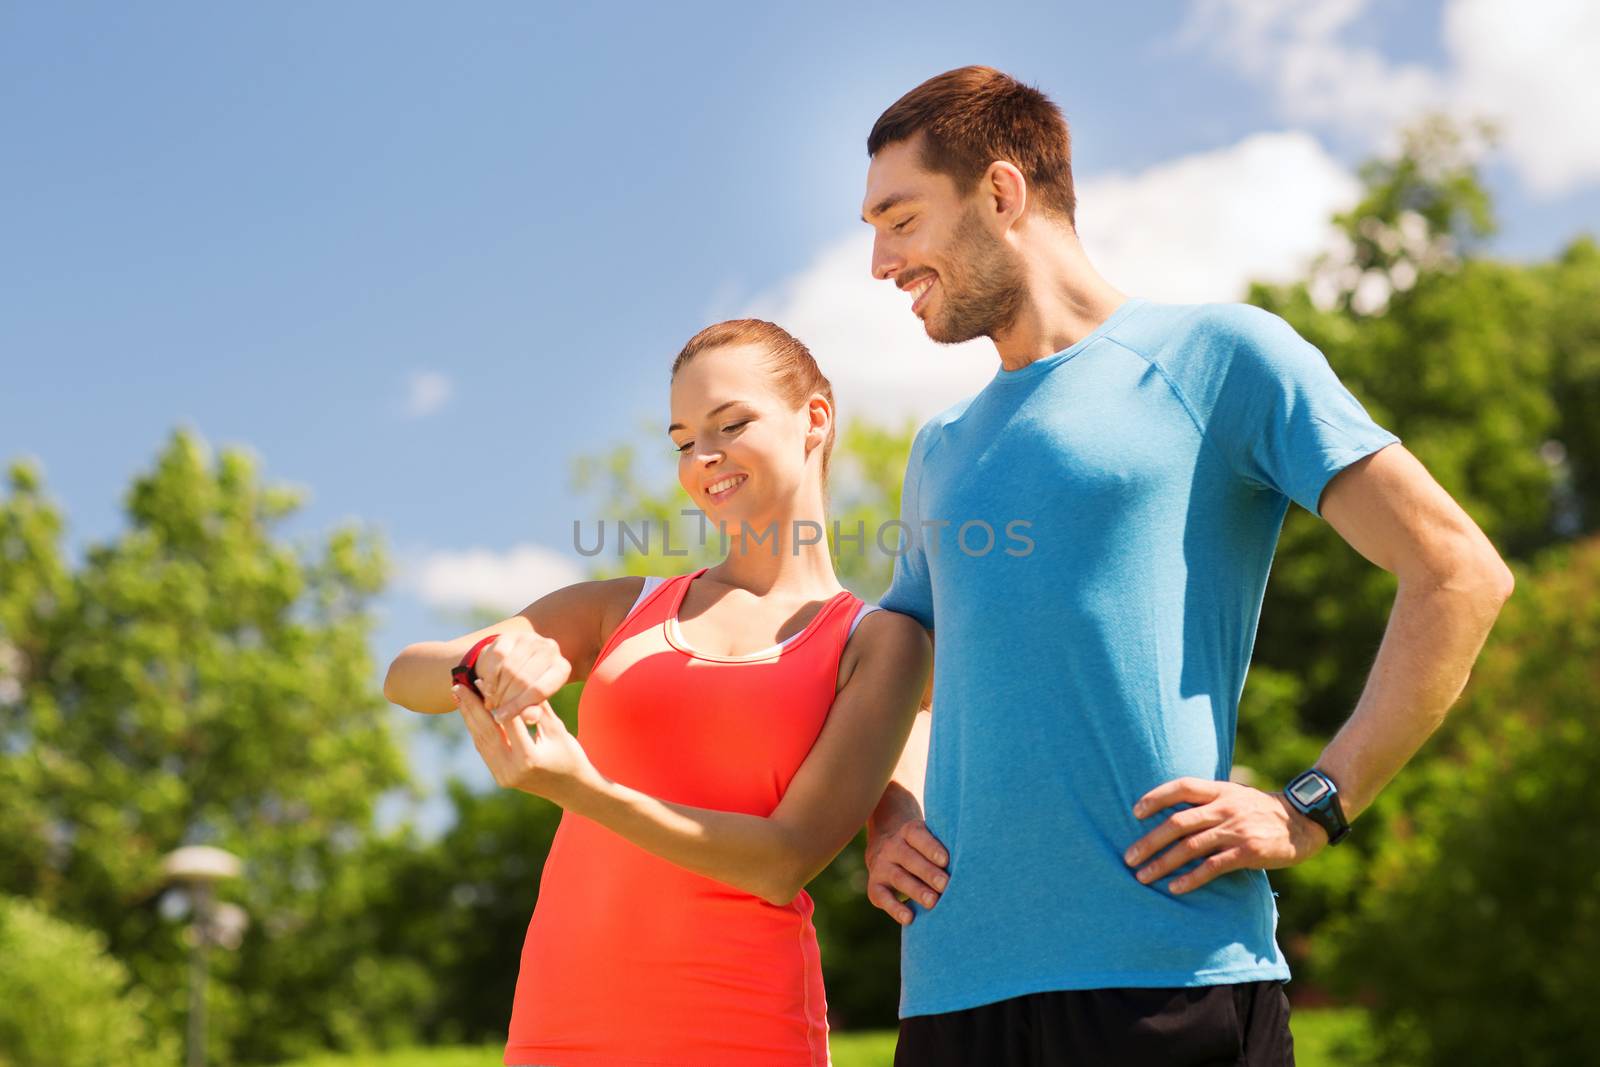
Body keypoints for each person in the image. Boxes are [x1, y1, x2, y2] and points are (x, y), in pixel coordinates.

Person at [856, 66, 1515, 1066]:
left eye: (899, 219)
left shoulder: (1220, 355)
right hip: (952, 991)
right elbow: (905, 670)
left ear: (1000, 193)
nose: (877, 261)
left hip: (1167, 976)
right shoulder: (941, 444)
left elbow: (1458, 571)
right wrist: (888, 805)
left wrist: (1317, 800)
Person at [383, 319, 932, 1067]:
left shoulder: (878, 643)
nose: (703, 459)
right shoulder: (625, 607)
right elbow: (408, 674)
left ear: (814, 419)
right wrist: (496, 654)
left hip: (741, 1027)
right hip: (558, 1022)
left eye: (730, 424)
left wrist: (583, 790)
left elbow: (783, 859)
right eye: (681, 440)